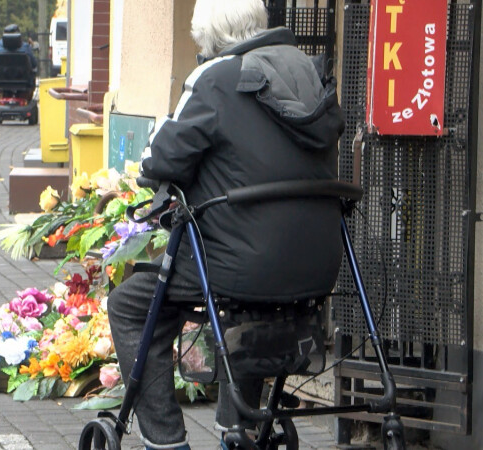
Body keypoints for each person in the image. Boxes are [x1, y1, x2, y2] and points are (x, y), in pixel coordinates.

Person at [105, 0, 346, 448]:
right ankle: (241, 428)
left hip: (240, 263)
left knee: (130, 306)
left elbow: (160, 160)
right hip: (319, 261)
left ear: (210, 39)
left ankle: (165, 439)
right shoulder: (311, 73)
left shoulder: (215, 79)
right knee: (247, 306)